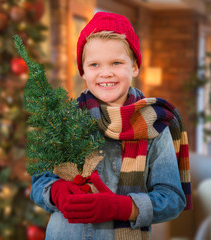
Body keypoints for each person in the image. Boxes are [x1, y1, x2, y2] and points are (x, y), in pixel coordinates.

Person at [30, 12, 192, 240]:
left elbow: (172, 199)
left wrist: (122, 207)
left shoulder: (153, 125)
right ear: (83, 71)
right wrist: (56, 191)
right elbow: (39, 184)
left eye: (116, 62)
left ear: (134, 67)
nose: (106, 72)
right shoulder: (64, 121)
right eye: (94, 64)